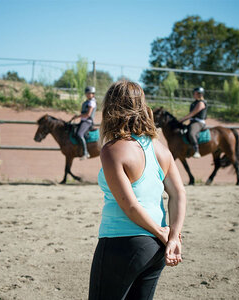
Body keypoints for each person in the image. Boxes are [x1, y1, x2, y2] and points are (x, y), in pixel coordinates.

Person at [88, 80, 186, 300]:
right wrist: (172, 237)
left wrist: (163, 232)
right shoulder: (160, 149)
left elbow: (130, 205)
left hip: (121, 242)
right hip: (155, 248)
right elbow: (179, 193)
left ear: (111, 109)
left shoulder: (112, 150)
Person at [178, 87, 208, 158]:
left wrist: (182, 119)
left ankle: (196, 151)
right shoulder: (195, 102)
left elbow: (192, 113)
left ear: (199, 94)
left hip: (198, 123)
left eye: (195, 93)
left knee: (192, 133)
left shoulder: (201, 103)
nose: (193, 94)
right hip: (193, 122)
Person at [71, 86, 97, 160]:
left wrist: (77, 116)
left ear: (93, 94)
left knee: (79, 134)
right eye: (87, 93)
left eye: (90, 93)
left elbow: (88, 114)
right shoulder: (87, 102)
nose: (88, 95)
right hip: (83, 121)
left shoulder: (92, 102)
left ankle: (86, 153)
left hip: (87, 121)